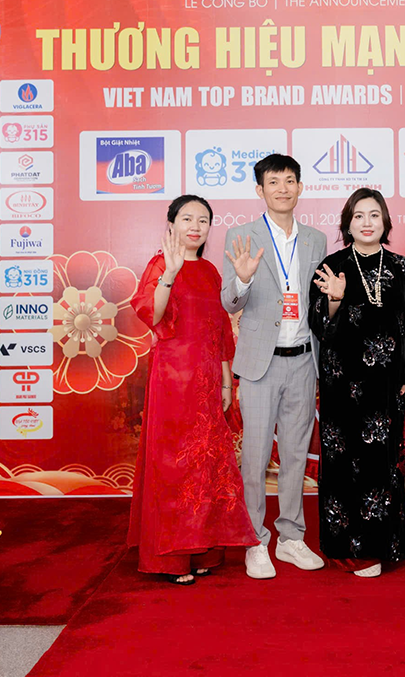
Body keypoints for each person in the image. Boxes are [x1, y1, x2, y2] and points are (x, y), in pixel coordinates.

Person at [127, 194, 258, 585]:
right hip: (172, 381)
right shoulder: (159, 265)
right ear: (171, 225)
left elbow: (220, 331)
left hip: (208, 381)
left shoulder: (211, 272)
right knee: (174, 467)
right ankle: (171, 559)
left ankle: (202, 549)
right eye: (187, 218)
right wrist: (170, 273)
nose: (195, 226)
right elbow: (152, 313)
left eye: (203, 220)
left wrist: (226, 380)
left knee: (206, 466)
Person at [309, 189, 405, 578]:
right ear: (347, 223)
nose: (366, 222)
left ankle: (382, 545)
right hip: (341, 383)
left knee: (381, 466)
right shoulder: (332, 266)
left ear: (385, 222)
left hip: (387, 385)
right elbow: (319, 325)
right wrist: (335, 299)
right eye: (358, 215)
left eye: (374, 215)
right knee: (343, 464)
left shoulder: (403, 268)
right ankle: (347, 549)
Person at [221, 154, 328, 579]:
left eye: (289, 181)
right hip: (259, 364)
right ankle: (255, 540)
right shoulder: (241, 236)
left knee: (296, 455)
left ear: (300, 188)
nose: (282, 188)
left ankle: (291, 537)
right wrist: (244, 278)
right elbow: (230, 301)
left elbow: (318, 301)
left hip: (303, 359)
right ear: (259, 190)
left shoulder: (317, 239)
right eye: (273, 181)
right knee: (255, 455)